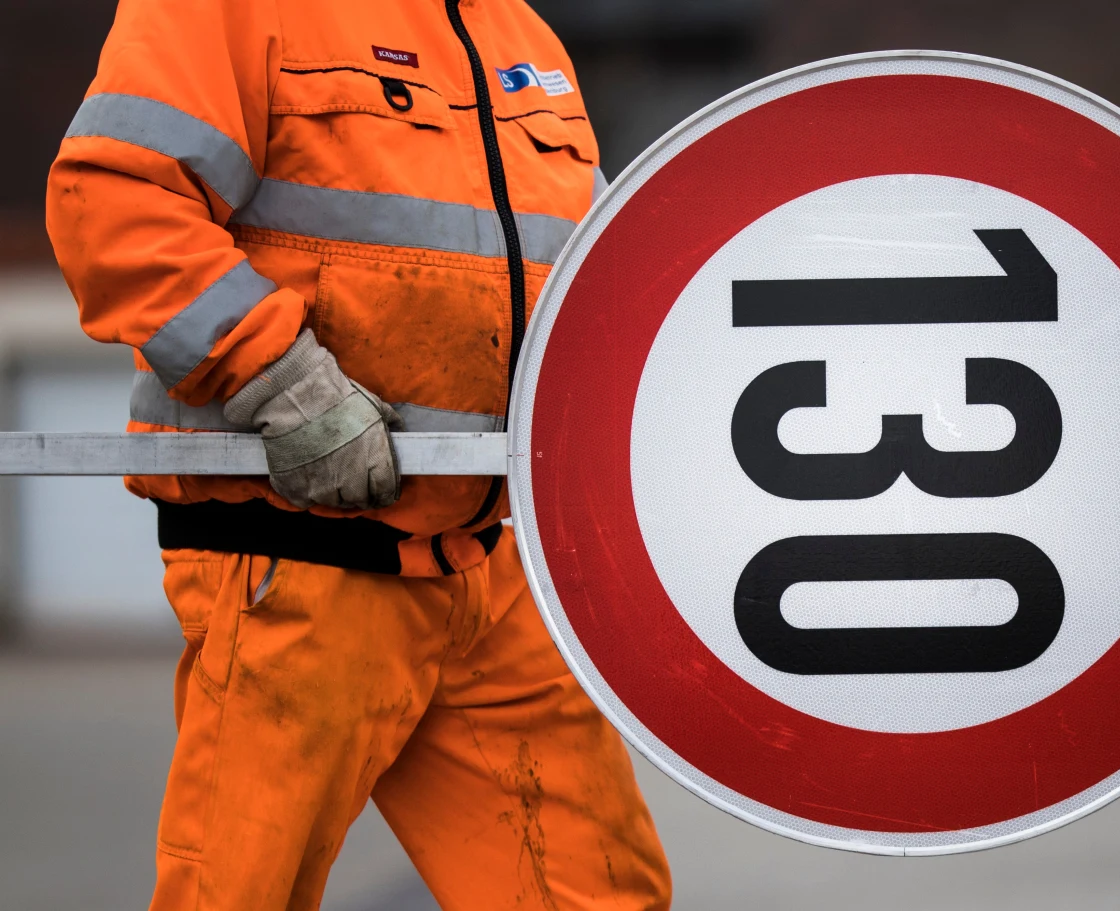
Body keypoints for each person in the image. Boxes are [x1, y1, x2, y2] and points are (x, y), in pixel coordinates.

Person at [46, 0, 672, 907]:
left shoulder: (521, 36)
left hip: (486, 570)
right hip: (299, 564)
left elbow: (587, 271)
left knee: (597, 894)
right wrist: (279, 380)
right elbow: (113, 199)